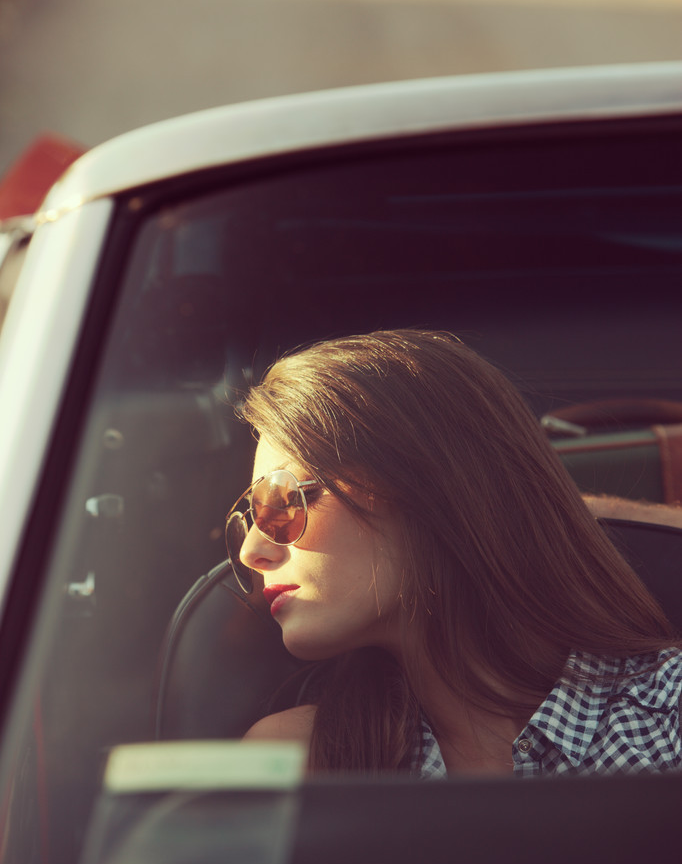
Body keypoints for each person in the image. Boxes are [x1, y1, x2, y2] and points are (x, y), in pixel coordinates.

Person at [225, 329, 682, 777]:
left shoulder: (668, 719)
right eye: (248, 519)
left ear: (424, 485)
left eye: (282, 502)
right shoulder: (301, 762)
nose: (251, 550)